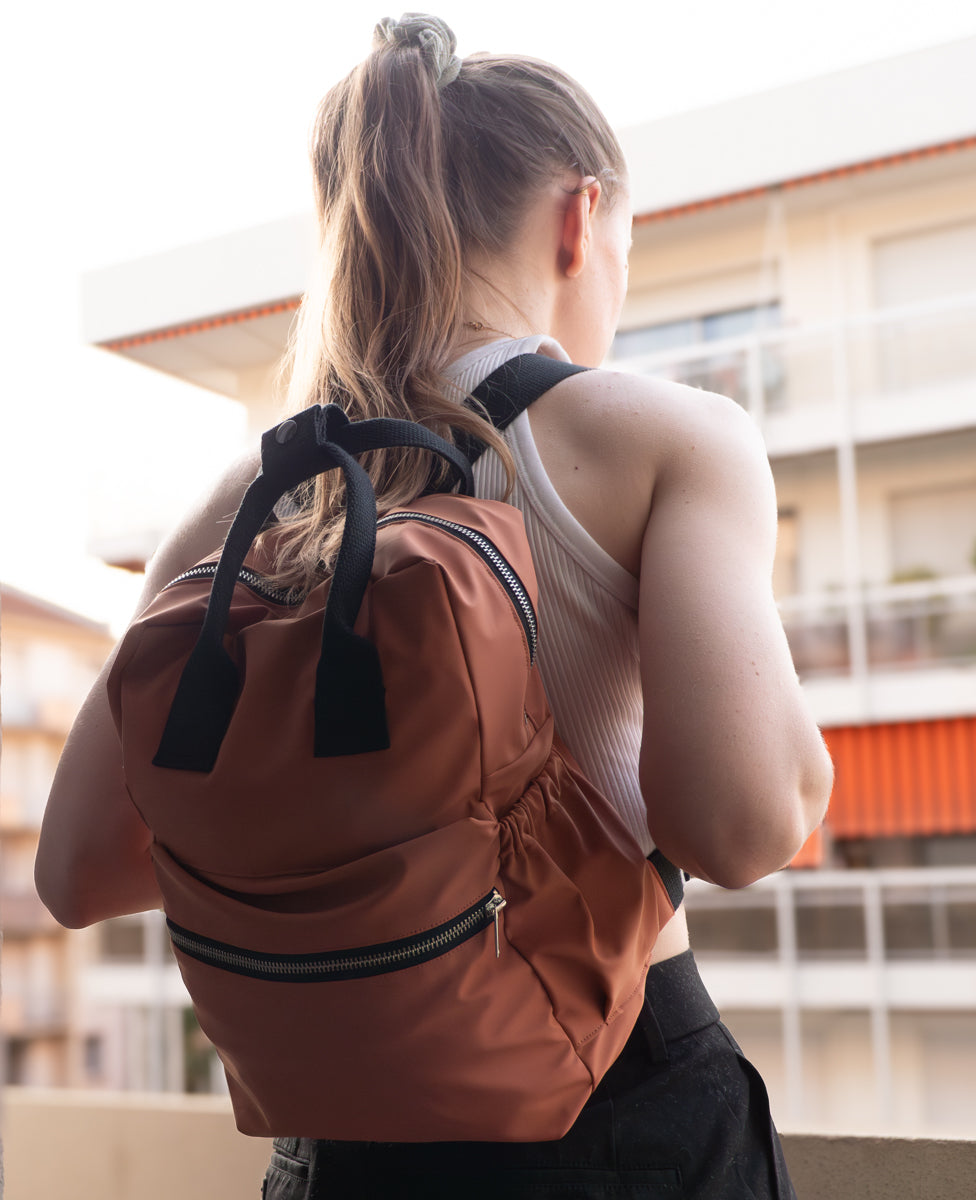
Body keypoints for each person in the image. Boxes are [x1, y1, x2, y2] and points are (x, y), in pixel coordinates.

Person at [36, 14, 833, 1199]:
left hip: (338, 1151)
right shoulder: (669, 439)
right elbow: (739, 828)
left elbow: (77, 869)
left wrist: (362, 842)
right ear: (579, 217)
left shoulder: (248, 502)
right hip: (617, 1116)